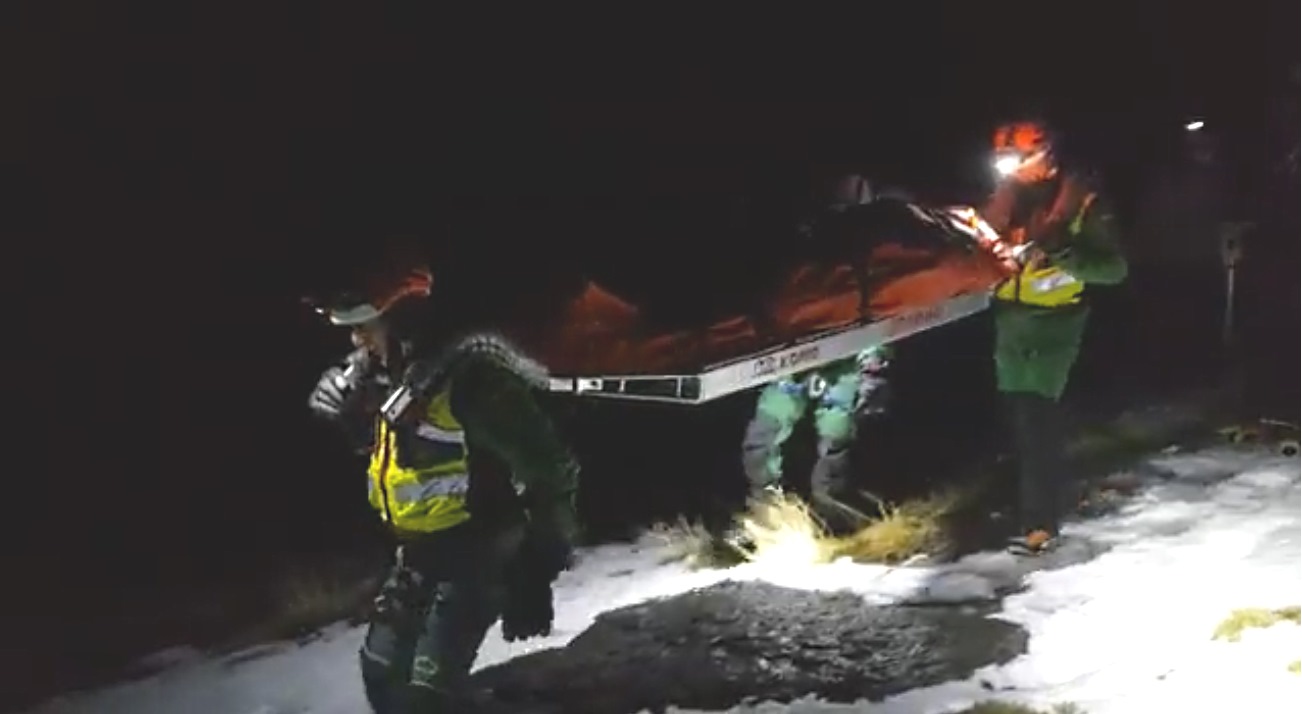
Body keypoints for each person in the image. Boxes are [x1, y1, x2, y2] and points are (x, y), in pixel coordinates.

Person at [305, 247, 580, 712]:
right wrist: (349, 418)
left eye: (363, 326)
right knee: (380, 675)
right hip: (417, 558)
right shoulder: (387, 379)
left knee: (423, 700)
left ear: (403, 319)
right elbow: (397, 458)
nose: (355, 341)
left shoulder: (472, 382)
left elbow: (550, 471)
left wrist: (535, 574)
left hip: (476, 557)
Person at [981, 120, 1128, 555]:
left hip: (1056, 325)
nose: (1009, 171)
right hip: (1010, 323)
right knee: (1017, 419)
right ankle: (1030, 507)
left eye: (1017, 161)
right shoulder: (1007, 200)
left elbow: (1114, 269)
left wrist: (1063, 250)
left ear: (1044, 156)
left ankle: (1039, 524)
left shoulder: (1082, 203)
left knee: (1037, 423)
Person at [740, 172, 897, 530]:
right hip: (794, 360)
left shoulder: (867, 254)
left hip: (842, 360)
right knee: (763, 437)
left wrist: (874, 365)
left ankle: (836, 512)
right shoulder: (797, 247)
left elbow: (878, 310)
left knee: (836, 436)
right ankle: (768, 518)